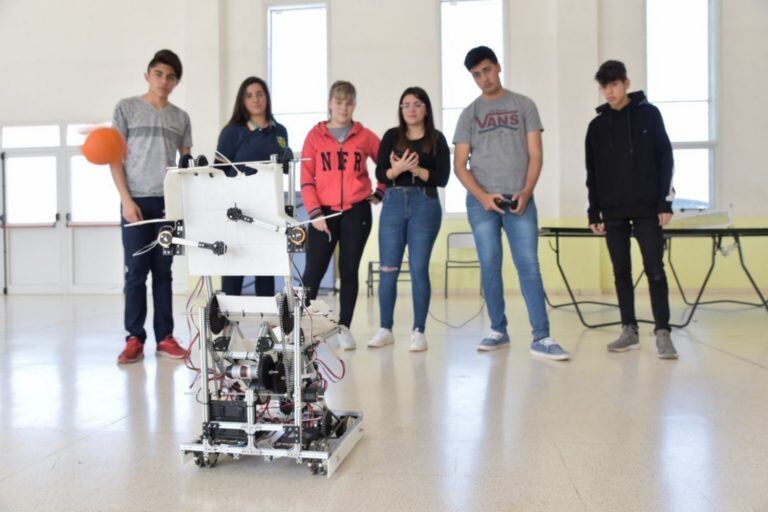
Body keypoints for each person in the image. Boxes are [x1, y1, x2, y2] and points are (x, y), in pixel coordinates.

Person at [453, 46, 569, 360]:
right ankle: (497, 330)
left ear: (498, 67)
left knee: (528, 266)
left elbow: (536, 155)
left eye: (487, 70)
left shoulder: (524, 105)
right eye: (476, 74)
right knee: (490, 265)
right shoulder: (469, 114)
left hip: (520, 199)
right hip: (482, 203)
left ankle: (542, 336)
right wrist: (483, 197)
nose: (483, 78)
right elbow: (460, 164)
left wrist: (526, 192)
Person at [585, 60, 677, 359]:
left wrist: (665, 202)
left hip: (647, 207)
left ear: (626, 82)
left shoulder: (649, 115)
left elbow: (665, 158)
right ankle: (629, 330)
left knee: (655, 270)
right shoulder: (596, 127)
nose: (608, 92)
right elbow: (593, 173)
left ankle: (662, 332)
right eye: (603, 87)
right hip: (612, 211)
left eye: (613, 85)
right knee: (621, 271)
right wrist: (593, 212)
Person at [110, 49, 192, 364]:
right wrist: (125, 200)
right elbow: (114, 158)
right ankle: (134, 338)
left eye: (171, 76)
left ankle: (165, 337)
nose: (164, 80)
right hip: (135, 203)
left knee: (164, 273)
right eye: (159, 74)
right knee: (135, 274)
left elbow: (185, 165)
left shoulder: (181, 118)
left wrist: (181, 205)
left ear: (176, 82)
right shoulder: (126, 109)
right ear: (148, 76)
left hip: (168, 204)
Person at [300, 80, 384, 350]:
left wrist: (380, 191)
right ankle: (303, 326)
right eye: (338, 101)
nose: (343, 107)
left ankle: (344, 327)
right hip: (322, 213)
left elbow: (386, 164)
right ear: (329, 104)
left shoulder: (364, 136)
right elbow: (306, 178)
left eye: (349, 102)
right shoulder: (314, 137)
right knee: (313, 271)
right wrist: (315, 212)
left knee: (349, 271)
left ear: (354, 105)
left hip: (356, 211)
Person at [367, 87, 450, 352]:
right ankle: (385, 328)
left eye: (416, 104)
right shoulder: (392, 136)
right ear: (400, 110)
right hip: (392, 203)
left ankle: (418, 330)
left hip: (425, 203)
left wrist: (415, 169)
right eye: (405, 105)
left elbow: (442, 178)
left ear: (426, 108)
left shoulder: (437, 138)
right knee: (388, 268)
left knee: (418, 268)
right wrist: (398, 169)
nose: (411, 109)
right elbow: (381, 171)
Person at [214, 76, 288, 298]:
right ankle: (227, 324)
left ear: (267, 97)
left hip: (267, 210)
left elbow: (282, 168)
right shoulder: (232, 132)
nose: (255, 100)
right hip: (236, 210)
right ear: (242, 101)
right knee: (234, 268)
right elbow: (218, 172)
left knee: (265, 268)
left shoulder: (280, 131)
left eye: (260, 94)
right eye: (249, 96)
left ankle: (266, 324)